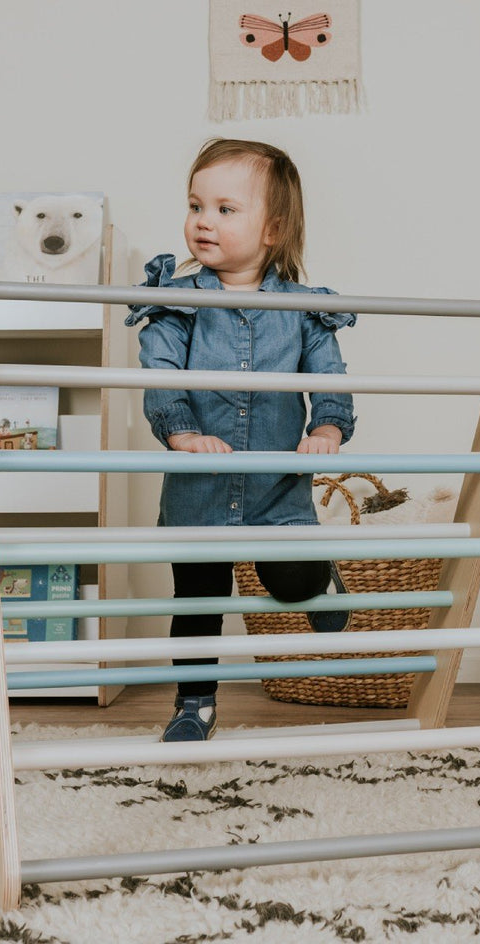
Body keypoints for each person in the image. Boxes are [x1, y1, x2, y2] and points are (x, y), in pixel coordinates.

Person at [125, 138, 357, 743]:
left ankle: (317, 576)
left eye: (226, 209)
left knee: (288, 583)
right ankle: (194, 704)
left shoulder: (306, 311)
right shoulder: (176, 305)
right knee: (199, 602)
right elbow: (160, 379)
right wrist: (182, 434)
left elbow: (330, 381)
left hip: (279, 490)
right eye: (197, 205)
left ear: (273, 229)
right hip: (199, 491)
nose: (204, 220)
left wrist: (326, 429)